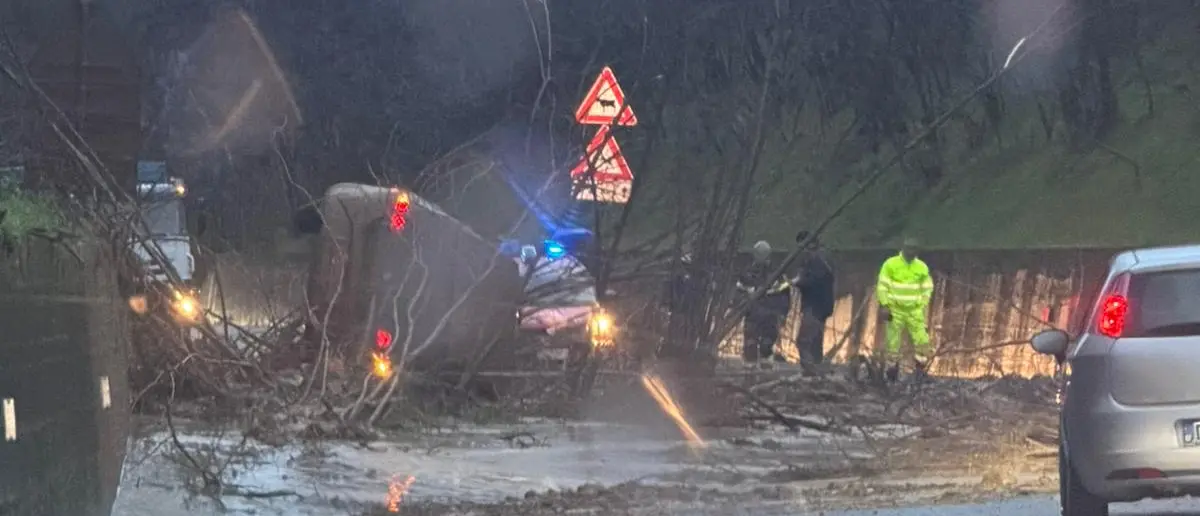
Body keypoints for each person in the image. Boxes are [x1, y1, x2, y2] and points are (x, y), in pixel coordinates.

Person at [876, 237, 934, 381]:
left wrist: (922, 303)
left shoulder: (921, 267)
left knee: (922, 339)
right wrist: (884, 305)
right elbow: (882, 286)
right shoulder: (891, 264)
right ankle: (892, 370)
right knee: (893, 342)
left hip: (914, 310)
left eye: (914, 249)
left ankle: (920, 371)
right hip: (895, 309)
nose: (911, 251)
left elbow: (927, 287)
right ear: (903, 248)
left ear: (917, 251)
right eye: (909, 248)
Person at [738, 241, 791, 364]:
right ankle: (749, 370)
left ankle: (765, 369)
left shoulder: (777, 274)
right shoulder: (747, 273)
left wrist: (783, 314)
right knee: (750, 346)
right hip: (753, 315)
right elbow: (739, 292)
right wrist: (740, 307)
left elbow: (785, 295)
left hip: (770, 316)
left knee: (766, 346)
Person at [791, 231, 835, 371]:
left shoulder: (817, 259)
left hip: (815, 306)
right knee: (815, 340)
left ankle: (810, 370)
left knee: (804, 340)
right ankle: (817, 369)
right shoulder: (821, 257)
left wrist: (798, 282)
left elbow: (815, 281)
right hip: (821, 306)